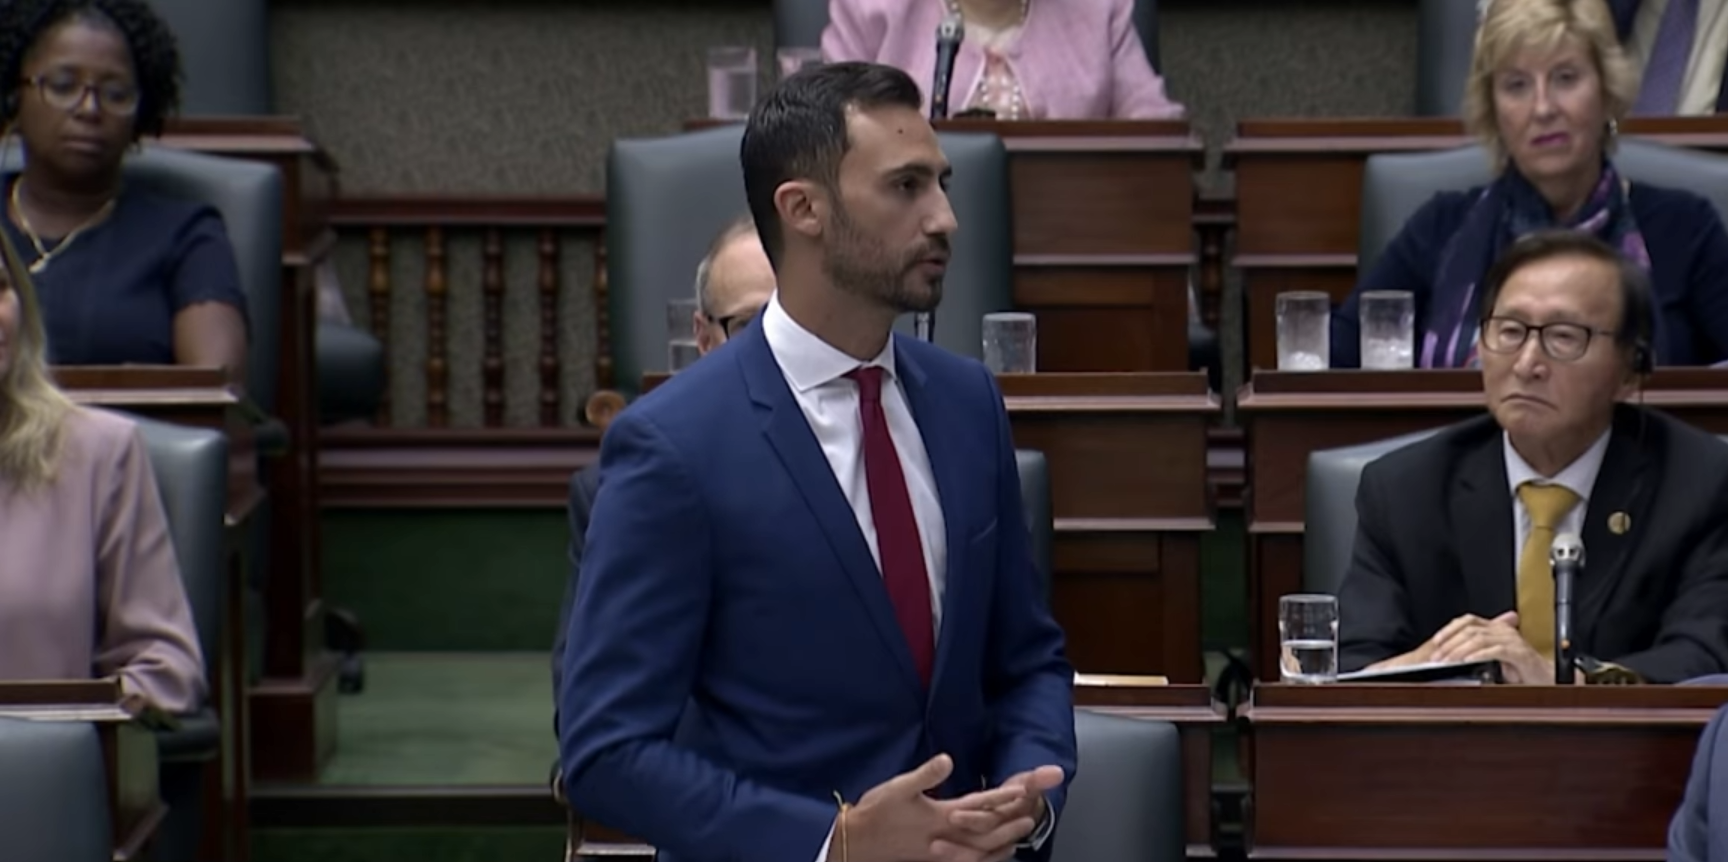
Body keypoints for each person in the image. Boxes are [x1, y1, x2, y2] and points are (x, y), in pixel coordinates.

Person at [557, 62, 1076, 862]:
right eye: (906, 188)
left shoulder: (969, 403)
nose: (944, 219)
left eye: (941, 184)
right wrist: (833, 843)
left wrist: (1024, 802)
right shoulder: (674, 446)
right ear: (803, 209)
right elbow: (606, 749)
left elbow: (1028, 657)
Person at [1336, 230, 1728, 685]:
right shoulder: (1405, 489)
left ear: (1630, 370)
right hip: (1449, 751)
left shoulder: (1701, 482)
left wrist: (1563, 682)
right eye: (1510, 331)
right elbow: (1355, 664)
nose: (1527, 364)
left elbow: (1705, 655)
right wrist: (1438, 661)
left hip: (1634, 753)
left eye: (1564, 337)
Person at [1332, 0, 1728, 369]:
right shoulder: (1441, 226)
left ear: (1607, 92)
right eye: (1517, 85)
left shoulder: (1686, 228)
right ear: (1492, 110)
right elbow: (1341, 353)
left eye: (1565, 78)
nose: (1542, 108)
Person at [551, 213, 775, 689]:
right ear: (703, 338)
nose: (779, 346)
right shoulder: (616, 489)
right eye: (749, 324)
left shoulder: (884, 460)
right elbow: (593, 691)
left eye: (796, 322)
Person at [0, 218, 205, 714]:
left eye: (0, 288)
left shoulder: (98, 453)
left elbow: (167, 667)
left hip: (41, 778)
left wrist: (92, 718)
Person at [0, 0, 249, 385]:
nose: (90, 108)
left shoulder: (185, 234)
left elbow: (215, 394)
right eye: (63, 86)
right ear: (15, 96)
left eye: (116, 94)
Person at [821, 0, 1182, 120]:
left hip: (1072, 249)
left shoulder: (1098, 9)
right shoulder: (870, 8)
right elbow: (826, 135)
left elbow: (1157, 137)